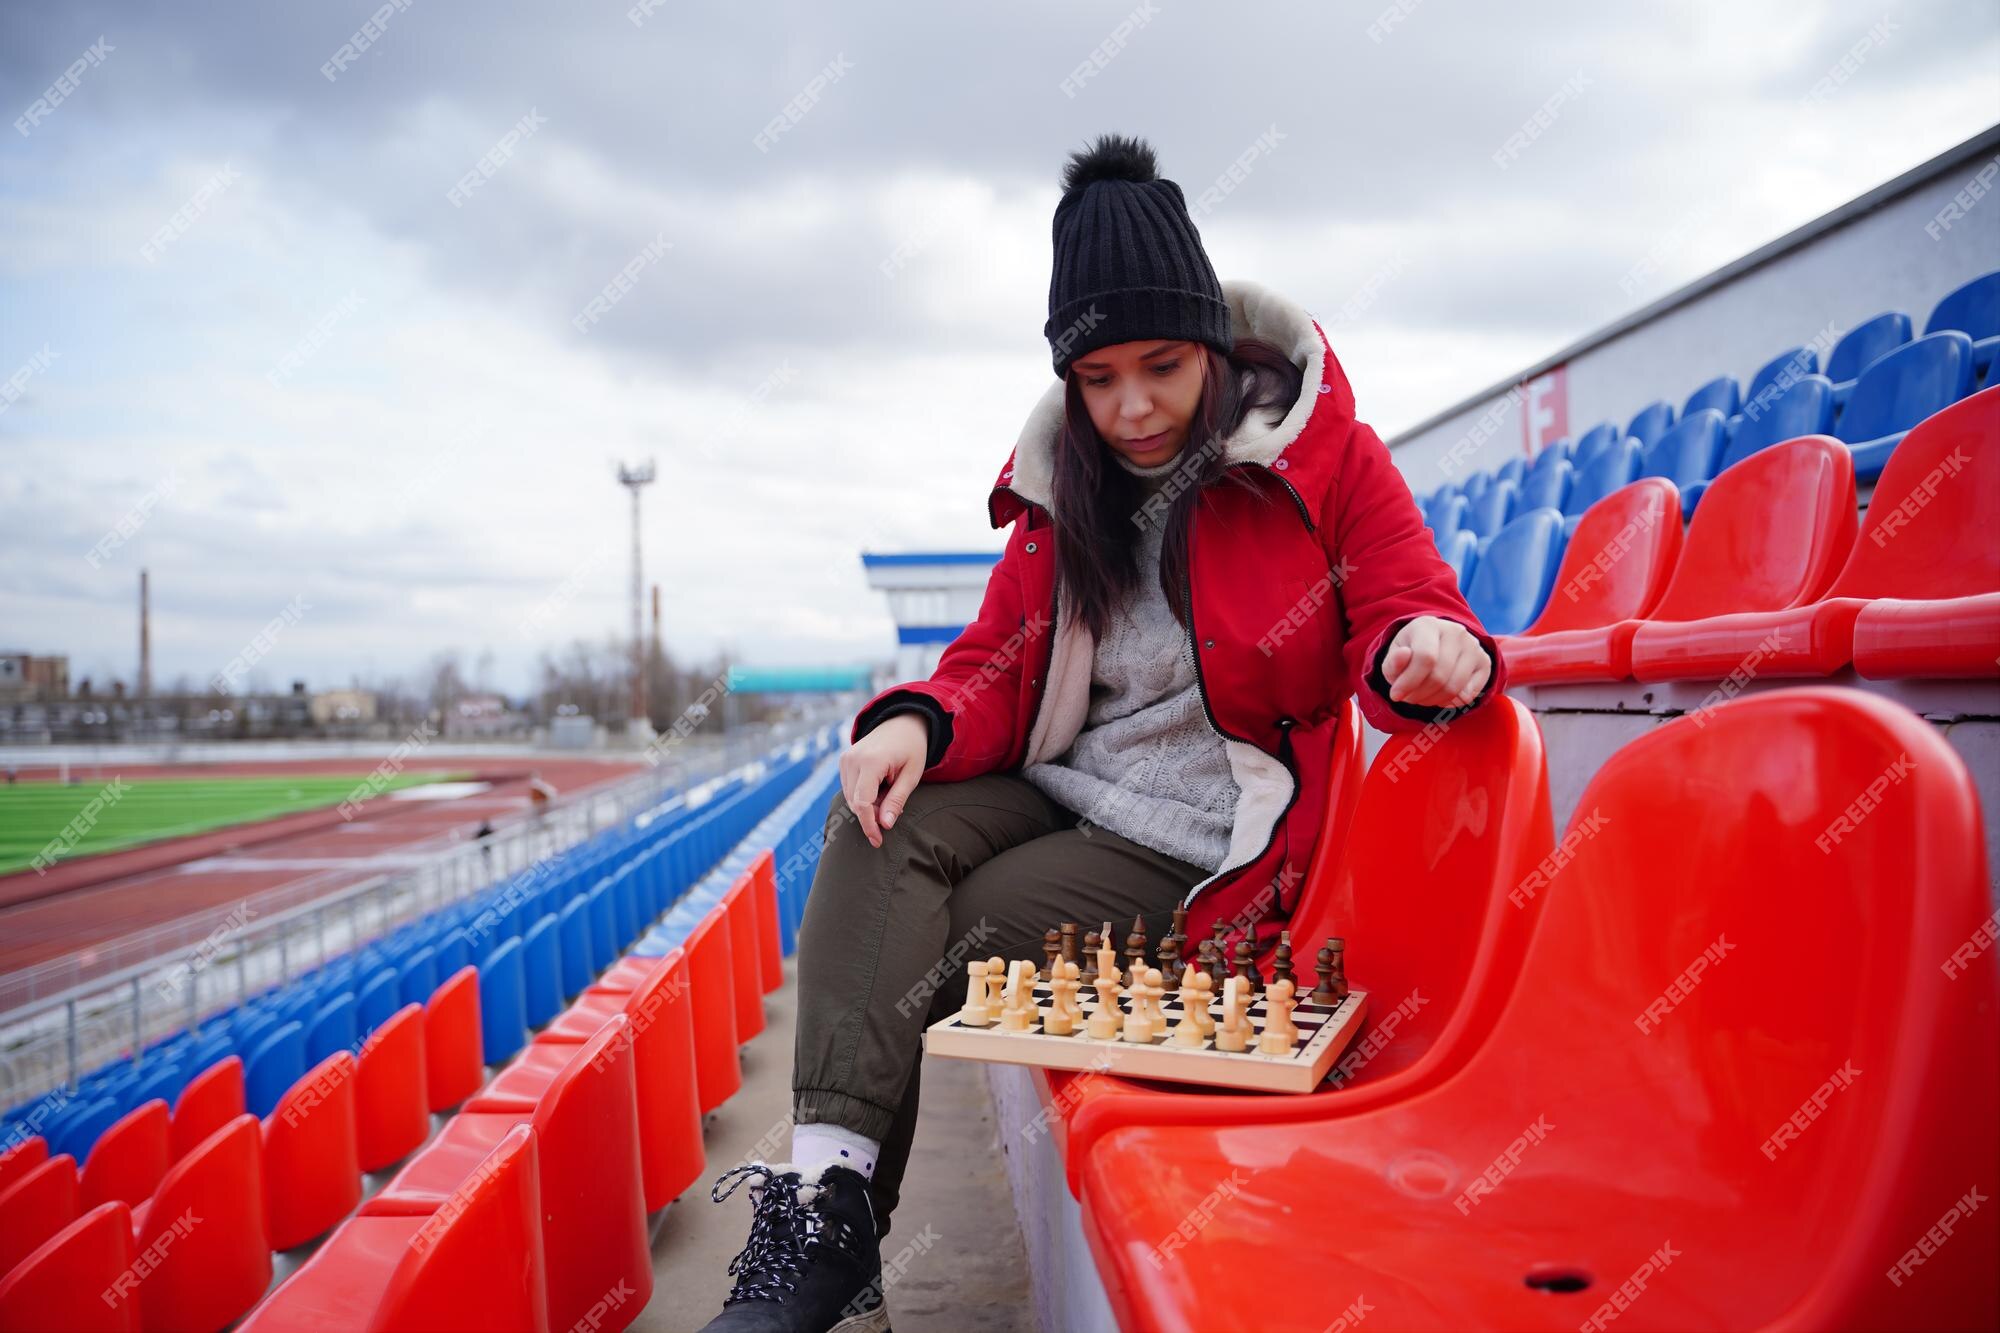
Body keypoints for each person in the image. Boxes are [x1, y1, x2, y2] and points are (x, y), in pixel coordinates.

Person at [698, 132, 1507, 1333]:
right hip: (1062, 785)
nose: (1130, 407)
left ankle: (831, 1263)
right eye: (1096, 378)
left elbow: (1412, 600)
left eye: (1162, 367)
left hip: (1209, 838)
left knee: (923, 945)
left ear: (1214, 349)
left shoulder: (1324, 460)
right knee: (874, 813)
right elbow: (994, 660)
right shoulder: (1059, 485)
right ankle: (823, 1219)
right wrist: (919, 717)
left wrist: (1425, 653)